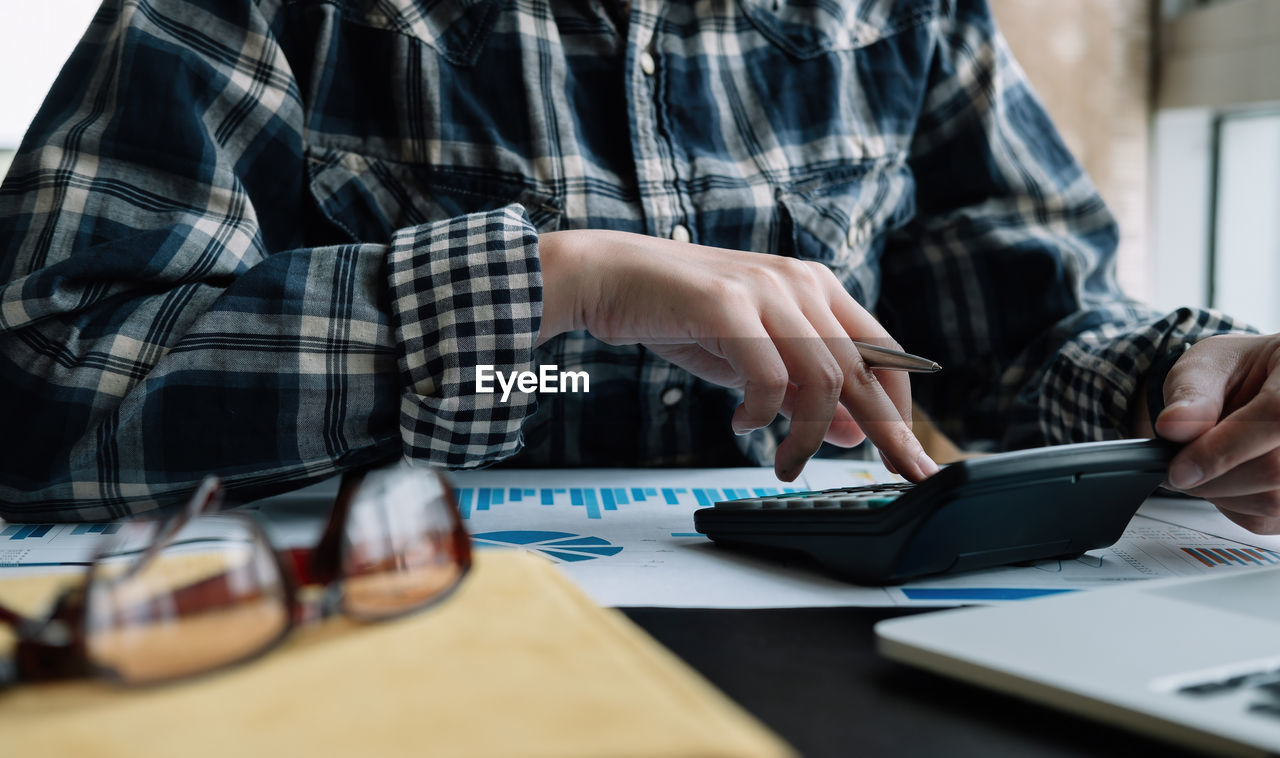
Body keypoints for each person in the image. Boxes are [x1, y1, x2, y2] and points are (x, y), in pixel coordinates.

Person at [0, 0, 1276, 533]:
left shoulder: (897, 12)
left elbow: (1018, 330)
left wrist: (1189, 387)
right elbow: (43, 383)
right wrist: (555, 283)